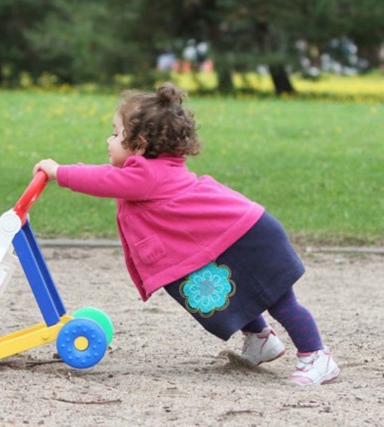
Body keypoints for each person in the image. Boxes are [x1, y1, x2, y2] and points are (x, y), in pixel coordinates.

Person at [33, 83, 339, 386]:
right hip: (236, 236)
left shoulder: (146, 175)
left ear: (139, 143)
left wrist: (59, 172)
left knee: (280, 302)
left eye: (115, 133)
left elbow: (103, 179)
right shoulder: (153, 170)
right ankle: (260, 340)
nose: (108, 140)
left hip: (252, 238)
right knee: (229, 288)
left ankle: (316, 355)